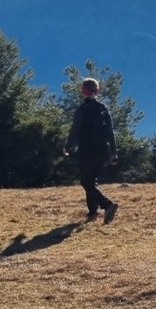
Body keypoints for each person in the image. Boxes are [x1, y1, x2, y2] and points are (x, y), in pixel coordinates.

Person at [64, 77, 119, 224]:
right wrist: (113, 152)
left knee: (86, 181)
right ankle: (92, 213)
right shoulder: (103, 108)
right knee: (91, 180)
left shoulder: (82, 110)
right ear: (97, 91)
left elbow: (75, 131)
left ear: (83, 91)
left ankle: (107, 205)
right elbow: (110, 132)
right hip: (102, 151)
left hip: (86, 151)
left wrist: (68, 146)